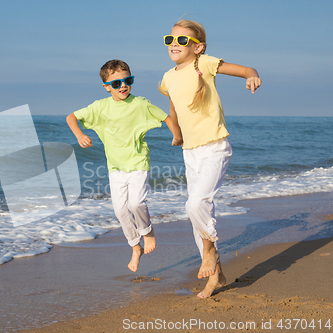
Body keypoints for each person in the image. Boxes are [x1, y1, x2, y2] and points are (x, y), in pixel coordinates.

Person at [158, 20, 262, 299]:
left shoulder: (204, 64)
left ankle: (209, 253)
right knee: (198, 215)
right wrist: (176, 134)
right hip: (190, 152)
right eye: (170, 39)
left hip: (216, 147)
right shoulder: (168, 77)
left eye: (182, 41)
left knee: (196, 204)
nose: (174, 45)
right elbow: (174, 107)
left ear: (198, 47)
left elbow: (244, 70)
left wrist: (252, 75)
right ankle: (215, 275)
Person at [67, 59, 182, 272]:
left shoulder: (140, 104)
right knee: (120, 210)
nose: (123, 86)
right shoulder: (100, 107)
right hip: (115, 168)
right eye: (117, 82)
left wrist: (177, 135)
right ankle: (134, 246)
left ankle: (147, 233)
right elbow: (71, 117)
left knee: (136, 203)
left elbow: (165, 117)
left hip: (138, 162)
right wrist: (80, 134)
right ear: (106, 87)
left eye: (127, 80)